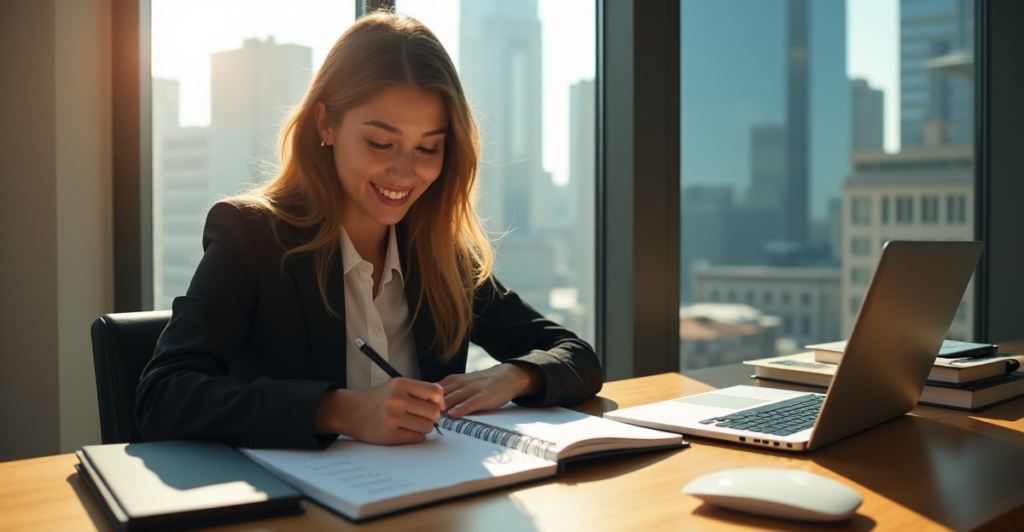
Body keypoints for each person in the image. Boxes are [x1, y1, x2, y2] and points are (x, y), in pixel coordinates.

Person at [136, 11, 602, 450]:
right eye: (380, 142)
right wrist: (337, 411)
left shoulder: (442, 255)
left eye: (427, 148)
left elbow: (576, 355)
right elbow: (163, 395)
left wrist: (513, 376)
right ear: (326, 123)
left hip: (430, 502)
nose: (404, 172)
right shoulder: (251, 236)